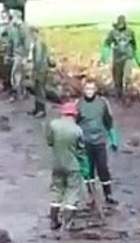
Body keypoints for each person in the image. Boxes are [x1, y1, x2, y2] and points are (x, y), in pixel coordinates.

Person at [75, 80, 120, 208]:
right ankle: (91, 195)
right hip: (85, 141)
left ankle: (108, 194)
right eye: (87, 88)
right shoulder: (79, 104)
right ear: (83, 90)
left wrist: (114, 139)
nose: (89, 91)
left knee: (103, 168)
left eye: (91, 89)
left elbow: (109, 122)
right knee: (88, 170)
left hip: (100, 141)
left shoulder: (102, 103)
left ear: (96, 90)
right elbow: (74, 123)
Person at [45, 100, 86, 231]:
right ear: (74, 115)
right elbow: (81, 151)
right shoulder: (77, 130)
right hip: (72, 165)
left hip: (56, 164)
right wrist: (85, 167)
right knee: (73, 192)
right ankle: (68, 222)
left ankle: (53, 220)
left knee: (57, 190)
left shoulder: (53, 125)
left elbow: (49, 141)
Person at [101, 15, 140, 99]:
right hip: (117, 58)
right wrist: (104, 57)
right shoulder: (113, 33)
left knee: (127, 77)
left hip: (128, 57)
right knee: (117, 78)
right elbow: (107, 44)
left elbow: (134, 45)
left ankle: (126, 96)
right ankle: (118, 95)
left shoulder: (130, 32)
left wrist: (138, 59)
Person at [0, 11, 25, 97]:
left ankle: (13, 88)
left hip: (7, 51)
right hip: (1, 50)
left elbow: (12, 41)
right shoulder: (1, 27)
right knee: (1, 69)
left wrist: (9, 52)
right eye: (2, 17)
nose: (3, 19)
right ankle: (5, 85)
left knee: (9, 70)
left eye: (5, 17)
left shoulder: (11, 29)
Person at [27, 26, 53, 117]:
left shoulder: (38, 43)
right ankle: (37, 108)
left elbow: (38, 59)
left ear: (35, 33)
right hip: (42, 69)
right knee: (38, 90)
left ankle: (41, 110)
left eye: (31, 34)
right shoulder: (39, 42)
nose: (30, 36)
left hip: (40, 70)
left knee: (40, 90)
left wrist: (34, 71)